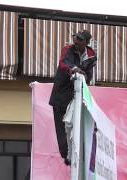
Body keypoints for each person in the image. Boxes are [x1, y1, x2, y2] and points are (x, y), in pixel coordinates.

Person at [49, 30, 97, 165]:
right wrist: (74, 70)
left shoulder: (91, 56)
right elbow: (64, 63)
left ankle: (81, 155)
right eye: (75, 37)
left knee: (79, 124)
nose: (75, 40)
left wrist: (84, 77)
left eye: (80, 39)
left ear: (86, 43)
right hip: (61, 95)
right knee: (62, 127)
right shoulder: (68, 49)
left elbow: (89, 75)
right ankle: (67, 155)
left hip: (77, 96)